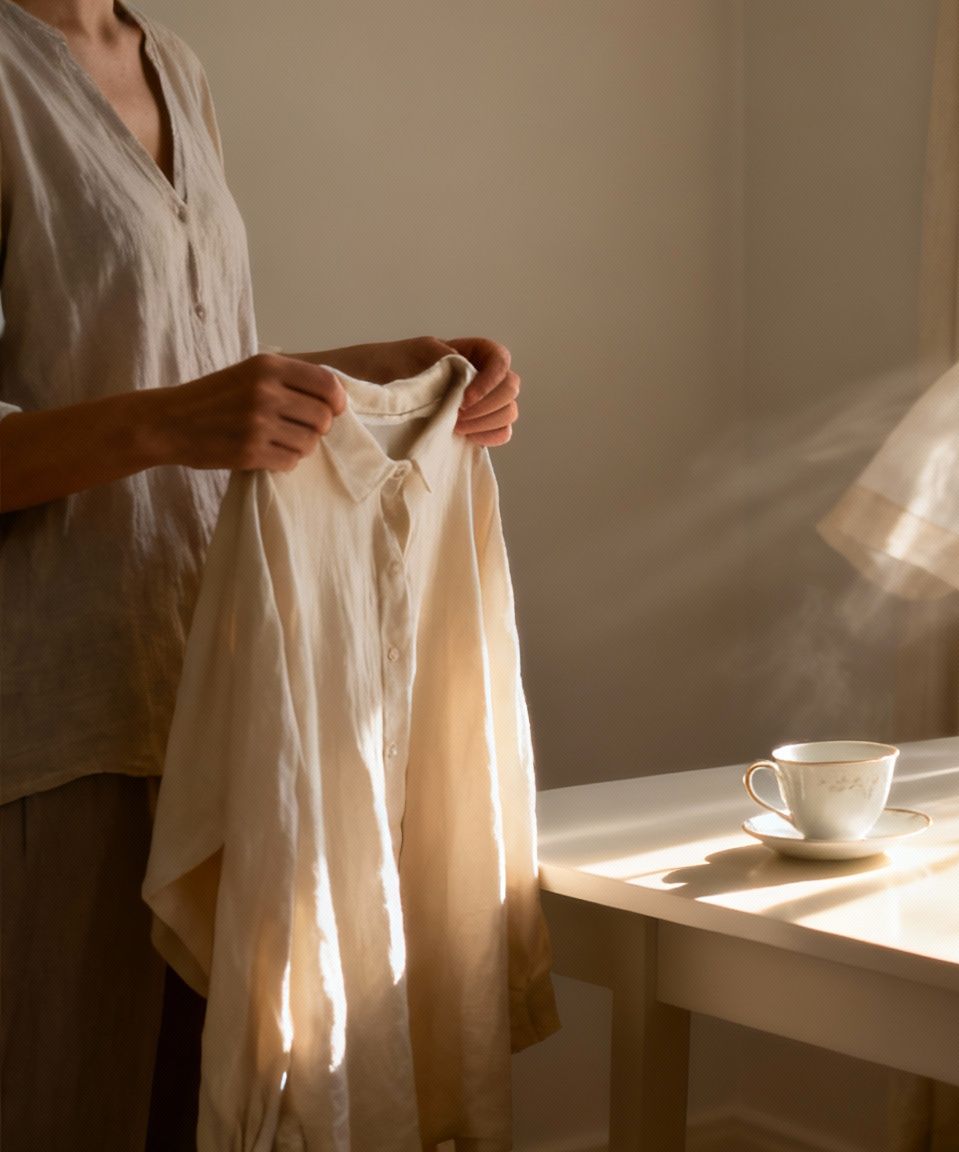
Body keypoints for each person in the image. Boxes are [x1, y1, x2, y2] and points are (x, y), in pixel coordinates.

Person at [0, 1, 524, 1145]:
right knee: (64, 1105)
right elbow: (161, 407)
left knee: (214, 1107)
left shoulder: (172, 67)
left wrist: (388, 371)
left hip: (222, 679)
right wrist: (166, 424)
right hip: (56, 718)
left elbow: (181, 367)